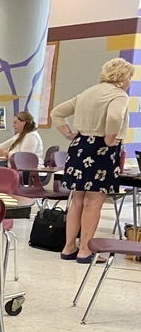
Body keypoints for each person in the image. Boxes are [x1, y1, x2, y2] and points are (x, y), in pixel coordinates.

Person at [52, 58, 135, 263]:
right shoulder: (118, 95)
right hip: (101, 150)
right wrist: (109, 137)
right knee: (94, 202)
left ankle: (69, 247)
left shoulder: (87, 93)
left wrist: (69, 134)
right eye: (130, 77)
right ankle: (85, 251)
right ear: (123, 77)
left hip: (79, 147)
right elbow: (115, 117)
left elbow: (57, 113)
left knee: (77, 200)